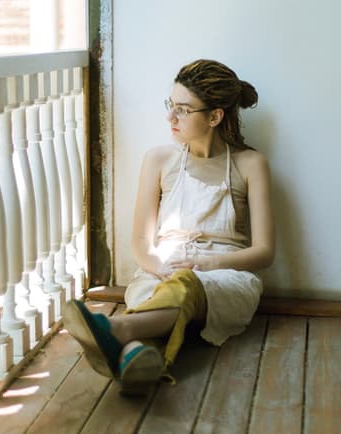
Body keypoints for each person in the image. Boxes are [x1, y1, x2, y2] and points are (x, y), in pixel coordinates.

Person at [63, 59, 274, 394]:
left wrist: (207, 264)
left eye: (183, 110)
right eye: (170, 106)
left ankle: (115, 330)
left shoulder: (251, 164)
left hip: (226, 277)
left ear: (215, 117)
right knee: (169, 295)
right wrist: (160, 268)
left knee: (185, 285)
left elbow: (264, 253)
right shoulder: (159, 160)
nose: (170, 118)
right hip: (160, 271)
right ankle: (137, 360)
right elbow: (141, 241)